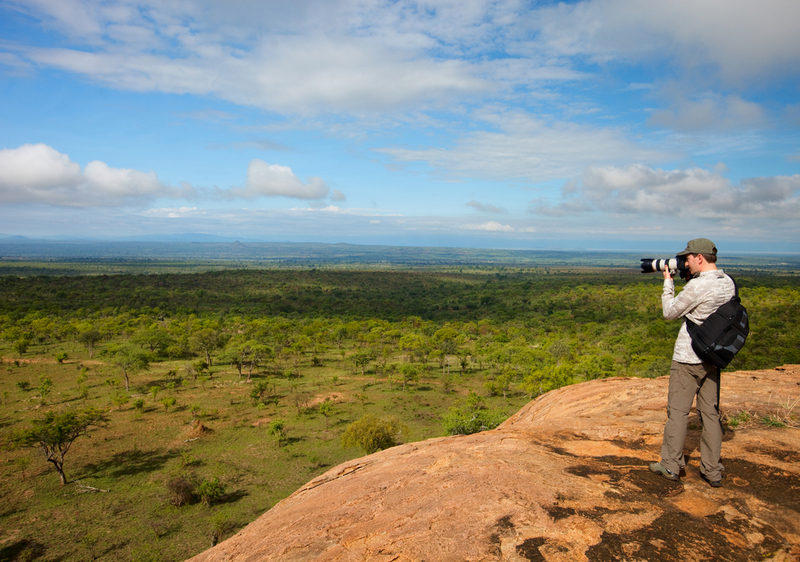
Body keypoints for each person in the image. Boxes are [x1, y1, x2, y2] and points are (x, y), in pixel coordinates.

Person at [649, 238, 735, 488]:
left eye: (687, 258)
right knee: (710, 413)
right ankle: (712, 470)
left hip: (688, 358)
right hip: (713, 356)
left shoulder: (698, 287)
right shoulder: (727, 282)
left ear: (699, 257)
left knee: (678, 412)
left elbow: (669, 312)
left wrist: (668, 283)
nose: (684, 262)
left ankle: (671, 465)